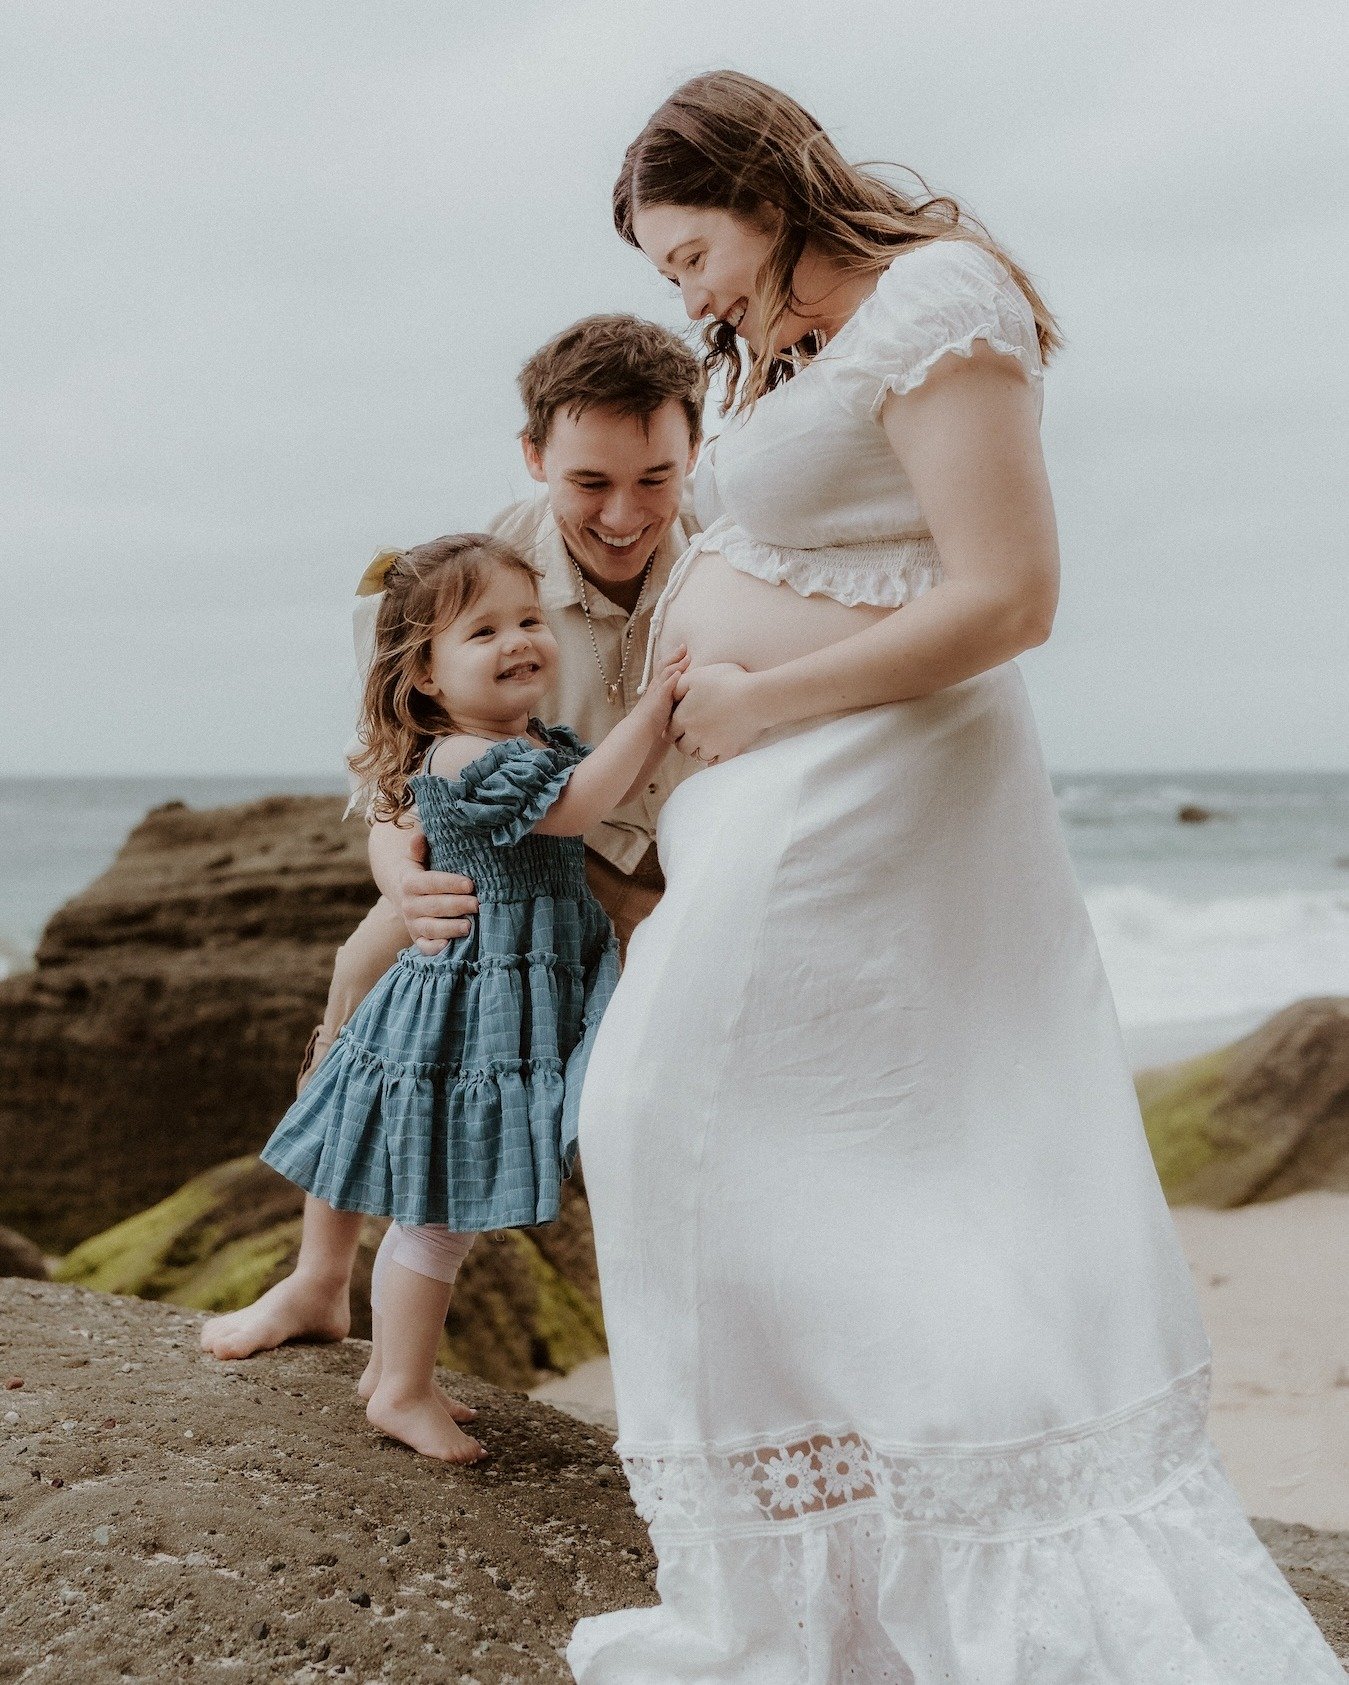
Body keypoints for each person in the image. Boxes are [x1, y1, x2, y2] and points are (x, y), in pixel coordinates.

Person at [568, 72, 1345, 1680]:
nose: (687, 290)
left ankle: (959, 1520)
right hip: (792, 803)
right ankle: (816, 1581)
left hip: (870, 794)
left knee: (711, 1123)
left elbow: (1009, 596)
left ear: (771, 187)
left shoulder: (936, 295)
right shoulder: (797, 347)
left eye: (691, 248)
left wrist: (760, 700)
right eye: (664, 271)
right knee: (758, 1152)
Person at [200, 315, 704, 1364]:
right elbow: (387, 741)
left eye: (654, 478)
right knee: (361, 976)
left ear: (693, 452)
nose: (623, 515)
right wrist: (395, 864)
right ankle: (314, 1279)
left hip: (647, 858)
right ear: (535, 458)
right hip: (491, 853)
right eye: (588, 482)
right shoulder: (483, 568)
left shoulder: (719, 557)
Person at [258, 532, 687, 1461]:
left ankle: (388, 1369)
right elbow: (575, 808)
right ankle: (401, 1387)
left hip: (506, 986)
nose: (519, 640)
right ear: (425, 676)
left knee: (431, 1197)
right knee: (441, 1213)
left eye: (529, 619)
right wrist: (652, 716)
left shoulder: (517, 740)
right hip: (474, 1004)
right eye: (483, 630)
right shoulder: (466, 756)